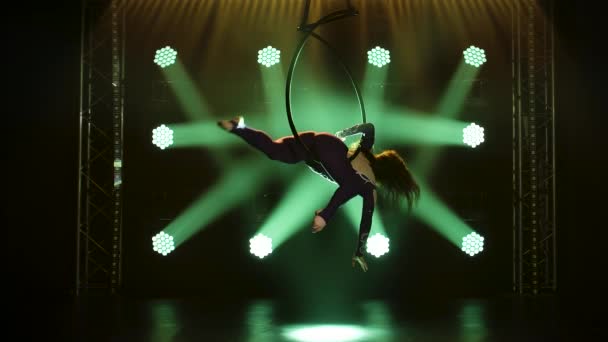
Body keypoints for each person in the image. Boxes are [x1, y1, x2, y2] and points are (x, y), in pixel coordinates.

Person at [218, 116, 420, 272]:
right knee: (351, 182)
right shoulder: (367, 186)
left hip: (317, 146)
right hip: (324, 152)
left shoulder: (366, 150)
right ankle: (325, 215)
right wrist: (327, 216)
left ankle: (240, 127)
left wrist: (343, 133)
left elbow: (369, 128)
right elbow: (359, 210)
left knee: (274, 150)